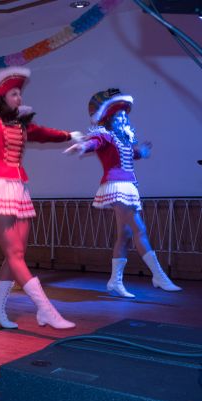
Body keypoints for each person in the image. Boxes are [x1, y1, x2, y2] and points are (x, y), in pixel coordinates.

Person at [0, 67, 81, 329]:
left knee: (17, 253)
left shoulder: (20, 124)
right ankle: (46, 310)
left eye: (20, 93)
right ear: (1, 98)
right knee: (14, 254)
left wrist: (69, 135)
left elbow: (43, 133)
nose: (19, 98)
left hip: (19, 188)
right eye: (14, 94)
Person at [64, 88, 181, 297]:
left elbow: (133, 154)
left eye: (125, 115)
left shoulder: (123, 139)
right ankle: (159, 276)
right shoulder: (105, 136)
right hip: (116, 186)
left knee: (124, 235)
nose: (123, 118)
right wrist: (82, 147)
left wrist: (142, 152)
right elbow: (94, 143)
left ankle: (115, 281)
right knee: (139, 229)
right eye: (119, 115)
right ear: (109, 118)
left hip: (128, 187)